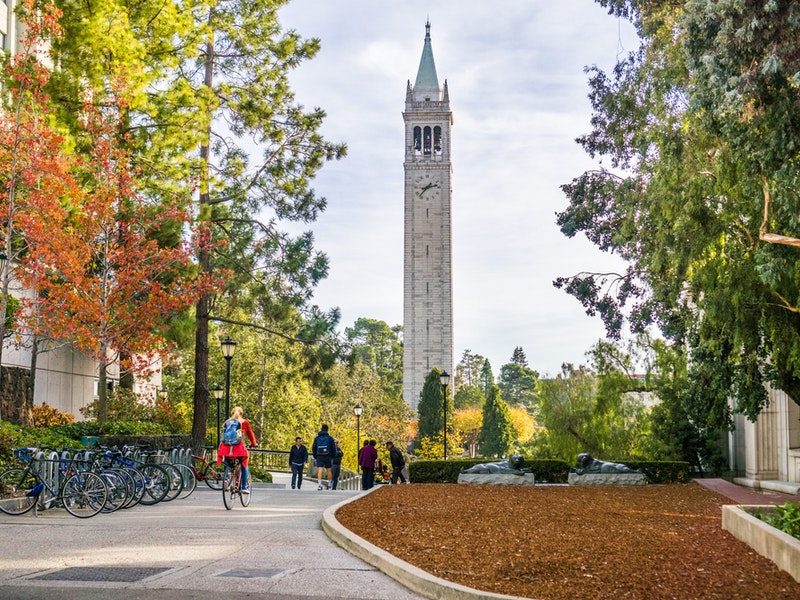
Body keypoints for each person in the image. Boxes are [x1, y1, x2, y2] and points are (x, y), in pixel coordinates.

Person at [216, 405, 257, 493]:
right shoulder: (244, 422)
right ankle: (244, 487)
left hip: (226, 448)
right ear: (241, 414)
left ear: (232, 413)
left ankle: (226, 479)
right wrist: (254, 444)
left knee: (227, 463)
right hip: (238, 449)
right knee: (244, 464)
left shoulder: (227, 422)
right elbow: (250, 434)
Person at [311, 424, 336, 490]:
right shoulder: (330, 438)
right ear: (327, 430)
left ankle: (319, 485)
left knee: (320, 470)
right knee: (329, 470)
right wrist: (332, 456)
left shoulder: (317, 438)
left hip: (319, 456)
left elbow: (313, 447)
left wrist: (315, 455)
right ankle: (330, 485)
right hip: (328, 456)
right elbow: (333, 448)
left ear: (321, 429)